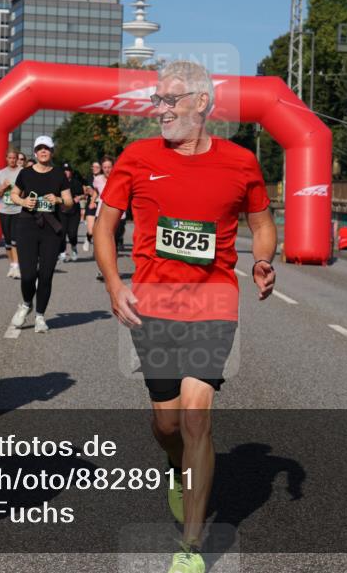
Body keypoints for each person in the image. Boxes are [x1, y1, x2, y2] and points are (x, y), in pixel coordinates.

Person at [95, 61, 277, 573]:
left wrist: (263, 260)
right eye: (157, 99)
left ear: (201, 103)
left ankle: (191, 548)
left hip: (213, 303)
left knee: (197, 415)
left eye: (171, 99)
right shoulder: (137, 157)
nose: (161, 109)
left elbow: (263, 223)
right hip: (153, 306)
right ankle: (176, 465)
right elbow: (105, 227)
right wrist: (114, 284)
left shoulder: (240, 162)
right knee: (167, 422)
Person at [9, 135, 73, 333]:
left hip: (51, 229)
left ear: (52, 152)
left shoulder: (59, 175)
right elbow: (13, 194)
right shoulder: (25, 173)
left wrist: (58, 200)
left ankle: (40, 316)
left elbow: (69, 202)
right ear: (35, 152)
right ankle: (26, 303)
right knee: (28, 275)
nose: (43, 151)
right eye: (40, 148)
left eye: (47, 148)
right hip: (27, 226)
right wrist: (23, 201)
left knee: (45, 275)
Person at [0, 148, 22, 278]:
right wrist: (3, 187)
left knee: (16, 239)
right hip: (4, 210)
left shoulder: (22, 172)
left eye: (14, 158)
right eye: (10, 158)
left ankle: (17, 266)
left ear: (17, 159)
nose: (12, 160)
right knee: (8, 240)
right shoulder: (1, 173)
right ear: (6, 159)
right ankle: (12, 265)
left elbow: (27, 190)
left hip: (18, 209)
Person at [58, 162, 85, 263]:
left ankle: (74, 248)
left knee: (72, 234)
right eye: (64, 171)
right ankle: (62, 253)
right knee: (62, 233)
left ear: (71, 172)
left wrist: (79, 197)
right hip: (61, 212)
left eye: (68, 170)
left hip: (74, 212)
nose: (66, 172)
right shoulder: (58, 183)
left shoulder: (76, 183)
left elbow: (83, 194)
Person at [82, 160, 102, 253]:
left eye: (97, 167)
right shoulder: (89, 178)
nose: (95, 169)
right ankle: (88, 238)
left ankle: (98, 249)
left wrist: (94, 192)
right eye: (94, 167)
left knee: (99, 230)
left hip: (101, 204)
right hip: (91, 204)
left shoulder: (105, 178)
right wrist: (90, 192)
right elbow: (87, 191)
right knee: (91, 230)